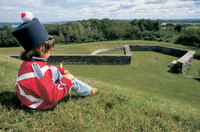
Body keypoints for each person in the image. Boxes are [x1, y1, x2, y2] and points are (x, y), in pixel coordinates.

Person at [12, 12, 98, 110]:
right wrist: (66, 80)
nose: (50, 53)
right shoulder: (40, 72)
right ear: (41, 50)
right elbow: (52, 97)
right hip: (40, 103)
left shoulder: (29, 64)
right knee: (70, 80)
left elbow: (45, 72)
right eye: (49, 51)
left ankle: (85, 88)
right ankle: (88, 91)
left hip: (30, 98)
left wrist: (60, 71)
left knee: (54, 70)